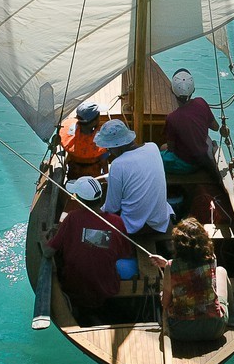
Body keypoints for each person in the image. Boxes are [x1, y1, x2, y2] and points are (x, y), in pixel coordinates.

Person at [43, 176, 131, 319]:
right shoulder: (117, 221)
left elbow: (48, 252)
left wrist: (44, 240)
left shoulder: (72, 218)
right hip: (107, 288)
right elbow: (124, 253)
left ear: (79, 200)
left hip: (75, 289)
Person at [96, 118, 174, 237]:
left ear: (118, 146)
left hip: (134, 228)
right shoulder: (152, 147)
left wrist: (95, 210)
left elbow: (112, 208)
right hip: (160, 220)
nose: (109, 152)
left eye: (109, 148)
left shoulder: (118, 164)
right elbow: (135, 170)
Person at [160, 217, 230, 342]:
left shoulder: (170, 267)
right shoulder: (211, 259)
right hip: (214, 329)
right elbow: (195, 272)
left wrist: (161, 294)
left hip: (180, 332)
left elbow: (165, 303)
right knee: (221, 271)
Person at [162, 68, 219, 177]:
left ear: (172, 91)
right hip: (202, 158)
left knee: (158, 155)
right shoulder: (201, 102)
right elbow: (215, 127)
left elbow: (171, 148)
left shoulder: (172, 118)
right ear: (193, 90)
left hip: (186, 165)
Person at [58, 101, 107, 178]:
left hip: (73, 175)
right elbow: (104, 163)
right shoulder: (102, 142)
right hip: (93, 178)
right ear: (94, 122)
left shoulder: (67, 133)